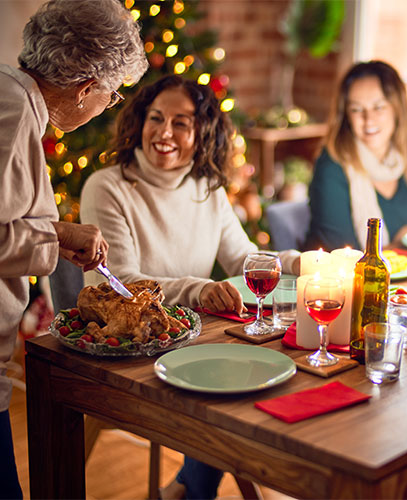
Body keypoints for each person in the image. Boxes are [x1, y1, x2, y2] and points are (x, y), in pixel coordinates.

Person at [80, 74, 300, 499]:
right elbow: (119, 282)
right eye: (156, 118)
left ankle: (187, 489)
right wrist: (198, 289)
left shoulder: (208, 188)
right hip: (131, 348)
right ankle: (192, 491)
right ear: (140, 121)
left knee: (261, 374)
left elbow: (244, 258)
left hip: (192, 340)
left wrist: (305, 262)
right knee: (230, 386)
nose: (164, 133)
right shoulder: (107, 187)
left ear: (203, 134)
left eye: (181, 123)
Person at [0, 1, 147, 497]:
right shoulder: (14, 113)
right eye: (112, 94)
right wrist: (52, 237)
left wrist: (57, 234)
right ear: (86, 88)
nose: (107, 103)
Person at [305, 60, 407, 251]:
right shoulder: (331, 165)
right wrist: (402, 244)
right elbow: (342, 255)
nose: (368, 119)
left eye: (379, 107)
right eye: (356, 109)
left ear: (397, 109)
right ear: (346, 115)